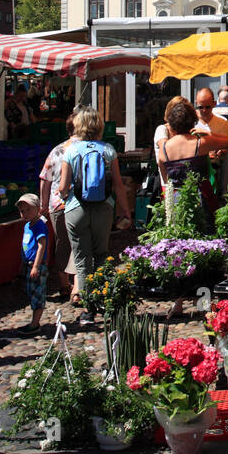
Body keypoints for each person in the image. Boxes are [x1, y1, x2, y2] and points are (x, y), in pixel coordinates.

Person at [59, 107, 132, 327]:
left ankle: (88, 311)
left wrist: (64, 196)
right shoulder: (108, 150)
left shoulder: (70, 150)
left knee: (82, 260)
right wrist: (125, 210)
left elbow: (63, 186)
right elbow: (118, 185)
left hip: (76, 209)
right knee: (101, 255)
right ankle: (105, 304)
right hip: (104, 208)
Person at [158, 97, 228, 221]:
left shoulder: (164, 149)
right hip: (203, 198)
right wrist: (208, 133)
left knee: (180, 236)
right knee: (208, 235)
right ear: (193, 121)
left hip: (177, 201)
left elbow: (166, 179)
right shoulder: (200, 143)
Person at [39, 117, 78, 299]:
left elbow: (45, 178)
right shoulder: (86, 147)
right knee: (80, 243)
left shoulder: (57, 150)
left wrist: (44, 204)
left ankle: (64, 284)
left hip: (57, 204)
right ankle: (78, 284)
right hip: (79, 202)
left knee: (63, 243)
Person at [16, 193, 48, 333]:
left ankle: (35, 324)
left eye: (28, 209)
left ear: (37, 208)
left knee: (37, 294)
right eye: (22, 211)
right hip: (28, 264)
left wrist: (36, 266)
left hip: (37, 266)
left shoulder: (39, 225)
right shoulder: (27, 226)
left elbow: (42, 245)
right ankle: (34, 321)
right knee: (31, 292)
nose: (25, 213)